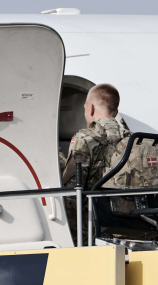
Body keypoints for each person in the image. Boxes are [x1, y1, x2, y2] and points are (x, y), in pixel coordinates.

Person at [61, 83, 126, 243]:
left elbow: (71, 194)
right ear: (116, 111)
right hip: (129, 226)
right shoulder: (137, 140)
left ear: (90, 108)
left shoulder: (85, 139)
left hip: (91, 230)